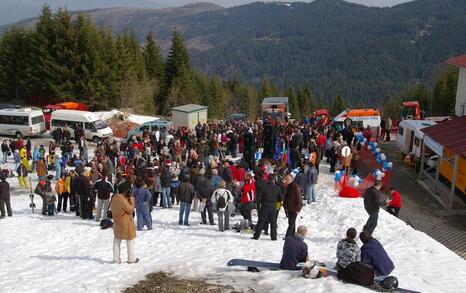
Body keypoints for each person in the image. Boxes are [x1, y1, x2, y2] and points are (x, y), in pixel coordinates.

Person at [110, 180, 139, 264]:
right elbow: (130, 210)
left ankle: (116, 259)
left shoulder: (114, 197)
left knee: (117, 240)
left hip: (117, 222)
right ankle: (131, 259)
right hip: (126, 223)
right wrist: (132, 200)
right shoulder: (122, 199)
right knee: (130, 240)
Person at [252, 174, 283, 240]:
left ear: (267, 179)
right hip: (273, 206)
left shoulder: (263, 187)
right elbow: (281, 198)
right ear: (274, 179)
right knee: (273, 222)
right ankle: (274, 237)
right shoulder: (277, 188)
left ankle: (256, 236)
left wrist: (258, 202)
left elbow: (259, 198)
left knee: (261, 221)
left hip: (265, 206)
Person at [284, 174, 302, 238]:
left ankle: (288, 235)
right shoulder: (289, 186)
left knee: (291, 222)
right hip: (290, 207)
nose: (286, 180)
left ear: (292, 179)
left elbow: (299, 198)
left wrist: (298, 209)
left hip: (294, 208)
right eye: (286, 179)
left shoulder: (295, 186)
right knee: (292, 222)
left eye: (288, 179)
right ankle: (292, 234)